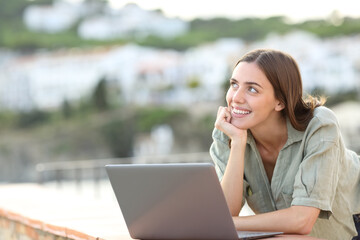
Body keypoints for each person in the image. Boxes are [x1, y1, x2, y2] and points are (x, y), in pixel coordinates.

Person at [210, 49, 360, 240]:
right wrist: (238, 143)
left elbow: (302, 220)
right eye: (234, 85)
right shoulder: (228, 132)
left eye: (252, 89)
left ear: (280, 101)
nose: (236, 98)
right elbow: (228, 211)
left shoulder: (320, 124)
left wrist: (224, 223)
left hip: (353, 224)